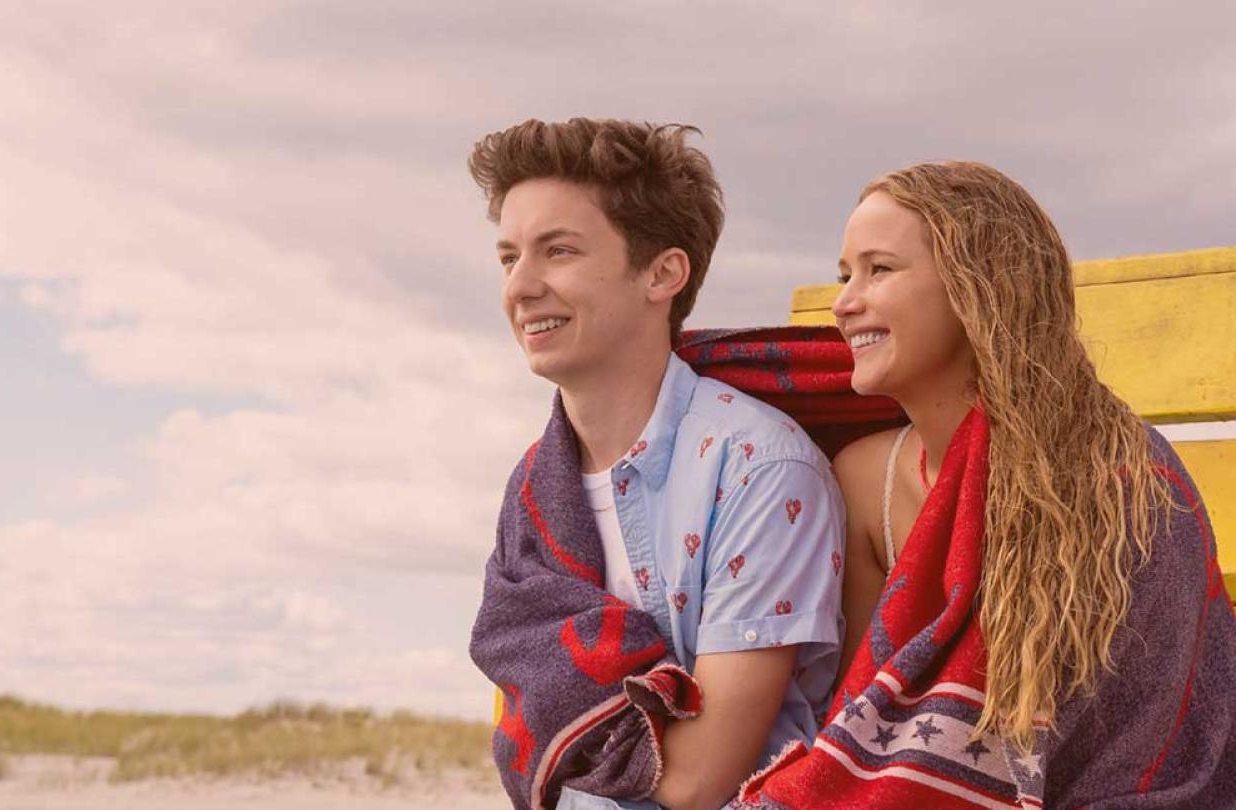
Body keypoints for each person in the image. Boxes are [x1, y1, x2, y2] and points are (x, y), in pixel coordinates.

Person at [738, 161, 1236, 809]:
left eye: (879, 269)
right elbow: (867, 715)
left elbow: (1146, 731)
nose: (844, 302)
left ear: (981, 287)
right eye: (844, 274)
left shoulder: (1121, 481)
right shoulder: (863, 477)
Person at [467, 118, 845, 810]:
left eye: (558, 252)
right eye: (507, 258)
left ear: (663, 273)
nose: (520, 287)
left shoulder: (758, 469)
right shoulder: (534, 493)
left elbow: (699, 781)